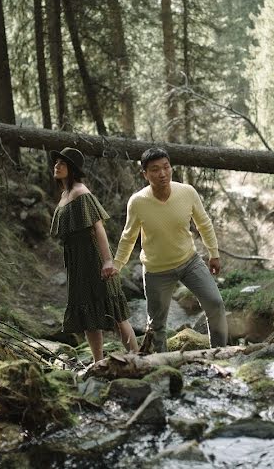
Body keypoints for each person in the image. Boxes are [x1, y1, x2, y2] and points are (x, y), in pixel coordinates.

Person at [112, 147, 227, 353]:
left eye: (166, 167)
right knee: (156, 326)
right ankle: (162, 367)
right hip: (157, 270)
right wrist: (117, 266)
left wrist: (214, 254)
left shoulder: (187, 192)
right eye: (155, 169)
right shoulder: (137, 202)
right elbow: (128, 237)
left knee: (215, 303)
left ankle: (220, 354)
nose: (162, 173)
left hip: (189, 261)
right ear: (145, 174)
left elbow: (204, 224)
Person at [49, 147, 138, 363]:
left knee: (114, 311)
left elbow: (98, 228)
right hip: (76, 262)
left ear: (72, 169)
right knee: (87, 315)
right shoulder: (64, 195)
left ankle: (136, 357)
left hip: (93, 257)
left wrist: (108, 260)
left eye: (63, 163)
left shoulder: (81, 192)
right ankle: (98, 363)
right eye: (57, 162)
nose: (57, 165)